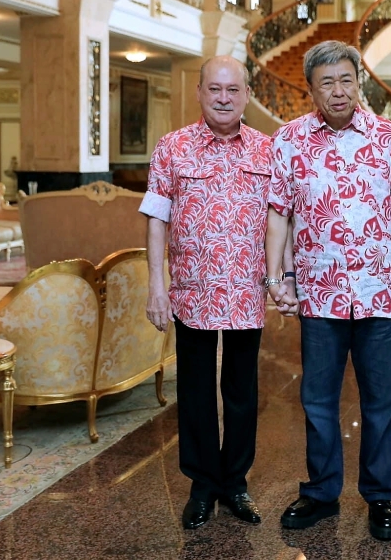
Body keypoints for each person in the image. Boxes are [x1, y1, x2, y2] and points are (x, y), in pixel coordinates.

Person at [264, 40, 391, 542]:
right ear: (311, 90)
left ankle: (381, 497)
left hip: (380, 291)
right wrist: (276, 278)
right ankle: (320, 492)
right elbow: (278, 214)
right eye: (326, 83)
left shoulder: (390, 139)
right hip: (320, 293)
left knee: (381, 402)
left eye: (346, 80)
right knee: (317, 400)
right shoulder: (289, 140)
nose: (338, 91)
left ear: (358, 82)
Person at [139, 55, 272, 531]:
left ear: (247, 96)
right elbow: (157, 219)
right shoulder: (172, 147)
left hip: (246, 292)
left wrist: (282, 278)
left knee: (241, 392)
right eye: (214, 89)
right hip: (191, 292)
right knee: (195, 391)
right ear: (198, 92)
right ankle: (201, 486)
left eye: (233, 90)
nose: (223, 98)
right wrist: (157, 286)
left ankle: (235, 483)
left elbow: (281, 222)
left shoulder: (267, 150)